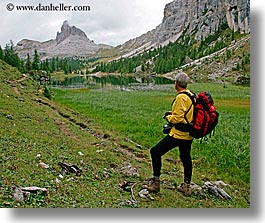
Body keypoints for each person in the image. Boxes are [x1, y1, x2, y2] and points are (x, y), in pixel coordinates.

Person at [143, 72, 194, 196]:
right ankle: (186, 186)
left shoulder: (180, 97)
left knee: (155, 151)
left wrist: (168, 117)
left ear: (176, 83)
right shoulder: (191, 95)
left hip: (178, 135)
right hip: (189, 135)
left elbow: (176, 119)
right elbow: (186, 114)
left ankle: (156, 183)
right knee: (186, 158)